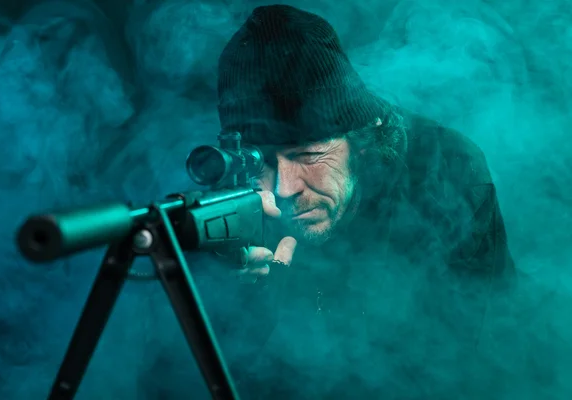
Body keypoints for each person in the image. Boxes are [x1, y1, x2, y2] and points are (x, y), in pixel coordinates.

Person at [212, 4, 517, 398]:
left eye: (308, 156)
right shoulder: (237, 200)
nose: (284, 188)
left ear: (362, 142)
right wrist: (234, 295)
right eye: (262, 162)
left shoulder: (449, 173)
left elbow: (467, 355)